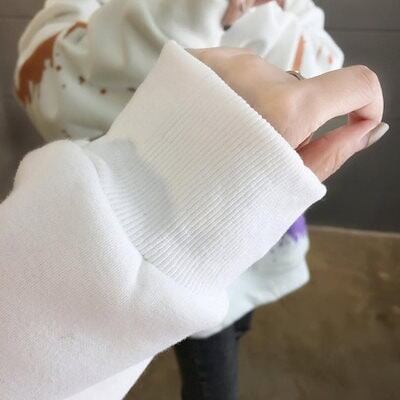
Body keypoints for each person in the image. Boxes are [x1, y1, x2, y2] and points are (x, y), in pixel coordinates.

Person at [12, 1, 377, 399]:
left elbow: (323, 73)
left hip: (247, 223)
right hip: (150, 239)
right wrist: (200, 8)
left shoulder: (286, 8)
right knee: (209, 372)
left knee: (235, 322)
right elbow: (47, 86)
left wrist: (262, 26)